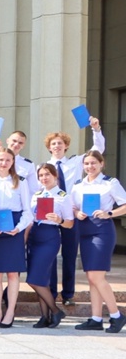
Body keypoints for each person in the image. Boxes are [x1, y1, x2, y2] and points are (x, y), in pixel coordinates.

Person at [43, 117, 104, 306]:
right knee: (51, 254)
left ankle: (68, 294)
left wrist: (96, 129)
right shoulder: (43, 167)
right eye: (53, 144)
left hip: (72, 212)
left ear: (66, 146)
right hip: (51, 214)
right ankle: (51, 292)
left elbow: (98, 150)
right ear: (49, 147)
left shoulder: (77, 162)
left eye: (60, 143)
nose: (57, 146)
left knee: (70, 254)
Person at [70, 151, 126, 333]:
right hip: (84, 230)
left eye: (93, 163)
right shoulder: (78, 185)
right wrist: (77, 212)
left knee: (96, 276)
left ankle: (117, 315)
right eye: (86, 163)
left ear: (101, 164)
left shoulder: (110, 183)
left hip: (102, 230)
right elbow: (72, 206)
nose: (90, 167)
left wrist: (109, 213)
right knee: (91, 277)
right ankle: (95, 318)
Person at [0, 148, 33, 328]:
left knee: (13, 273)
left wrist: (18, 228)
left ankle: (10, 311)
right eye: (0, 160)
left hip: (14, 227)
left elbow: (27, 212)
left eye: (7, 160)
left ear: (13, 162)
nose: (3, 163)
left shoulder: (20, 183)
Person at [28, 163, 73, 328]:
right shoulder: (36, 194)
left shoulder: (63, 196)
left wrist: (59, 220)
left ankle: (55, 310)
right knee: (42, 279)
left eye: (47, 174)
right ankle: (44, 316)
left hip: (50, 236)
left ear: (55, 176)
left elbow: (70, 223)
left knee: (34, 279)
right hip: (34, 235)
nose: (44, 178)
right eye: (41, 175)